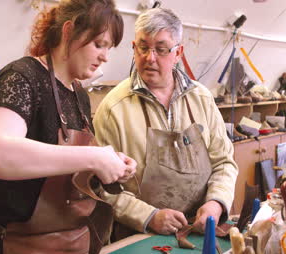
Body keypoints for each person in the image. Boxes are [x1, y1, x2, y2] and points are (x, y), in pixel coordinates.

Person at [0, 1, 136, 254]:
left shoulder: (79, 95)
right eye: (99, 44)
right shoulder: (22, 78)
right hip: (19, 250)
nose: (106, 56)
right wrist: (94, 158)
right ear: (68, 31)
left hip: (75, 249)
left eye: (109, 48)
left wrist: (111, 163)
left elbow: (70, 167)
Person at [93, 7, 238, 239]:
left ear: (178, 53)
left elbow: (224, 162)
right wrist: (149, 216)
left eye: (161, 49)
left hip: (199, 228)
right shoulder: (113, 109)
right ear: (133, 49)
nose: (150, 58)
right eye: (143, 47)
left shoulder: (201, 98)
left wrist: (215, 203)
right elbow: (102, 187)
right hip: (140, 234)